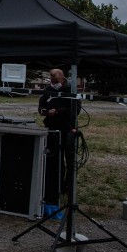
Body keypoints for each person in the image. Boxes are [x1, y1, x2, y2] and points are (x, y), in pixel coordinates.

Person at [37, 68, 80, 197]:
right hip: (51, 128)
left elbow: (75, 110)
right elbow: (40, 107)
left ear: (62, 78)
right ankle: (55, 185)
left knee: (70, 159)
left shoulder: (70, 90)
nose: (53, 83)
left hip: (67, 128)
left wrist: (58, 111)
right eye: (51, 80)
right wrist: (44, 111)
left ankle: (69, 187)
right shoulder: (47, 91)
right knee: (54, 157)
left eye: (55, 80)